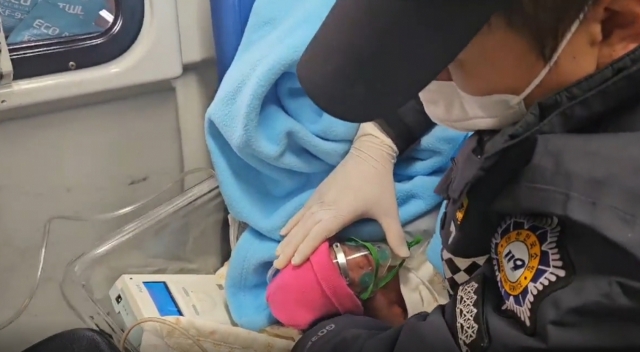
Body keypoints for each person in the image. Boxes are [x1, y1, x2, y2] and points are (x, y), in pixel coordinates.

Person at [273, 0, 640, 351]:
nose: (430, 77)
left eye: (454, 58)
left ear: (615, 25)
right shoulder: (563, 52)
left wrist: (322, 338)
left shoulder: (604, 250)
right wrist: (383, 134)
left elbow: (490, 337)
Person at [266, 235, 448, 329]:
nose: (359, 261)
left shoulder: (396, 234)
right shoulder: (408, 312)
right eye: (346, 277)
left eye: (340, 252)